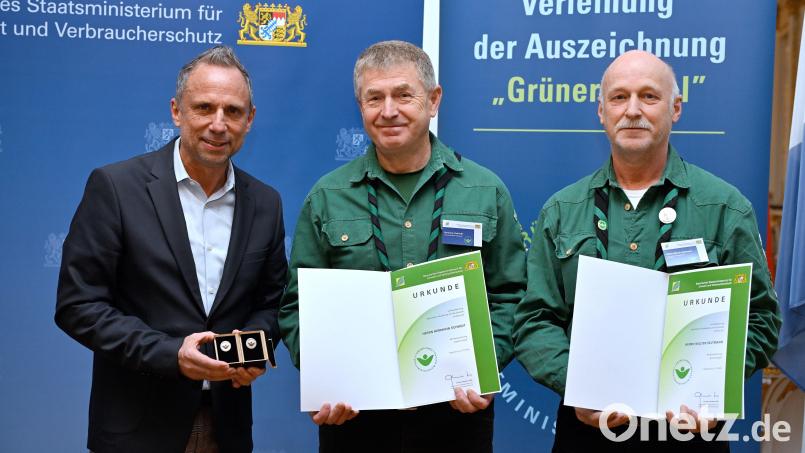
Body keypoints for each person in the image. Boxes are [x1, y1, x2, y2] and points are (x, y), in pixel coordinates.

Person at [513, 50, 781, 452]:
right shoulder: (562, 211)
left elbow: (760, 319)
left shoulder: (724, 208)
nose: (633, 110)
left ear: (675, 109)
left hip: (690, 429)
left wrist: (713, 384)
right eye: (619, 98)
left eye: (649, 97)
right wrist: (577, 384)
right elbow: (534, 319)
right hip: (588, 429)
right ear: (601, 111)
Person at [278, 40, 526, 452]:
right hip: (355, 417)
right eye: (374, 98)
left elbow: (511, 295)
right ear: (360, 105)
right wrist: (325, 375)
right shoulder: (328, 196)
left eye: (403, 95)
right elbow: (296, 305)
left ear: (433, 100)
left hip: (455, 415)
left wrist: (482, 367)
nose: (388, 111)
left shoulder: (485, 191)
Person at [55, 45, 288, 453]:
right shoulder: (116, 188)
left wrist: (252, 351)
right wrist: (170, 355)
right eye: (204, 108)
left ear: (249, 120)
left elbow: (272, 305)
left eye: (233, 111)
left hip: (227, 428)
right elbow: (78, 305)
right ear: (177, 111)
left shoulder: (265, 202)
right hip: (136, 431)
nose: (219, 124)